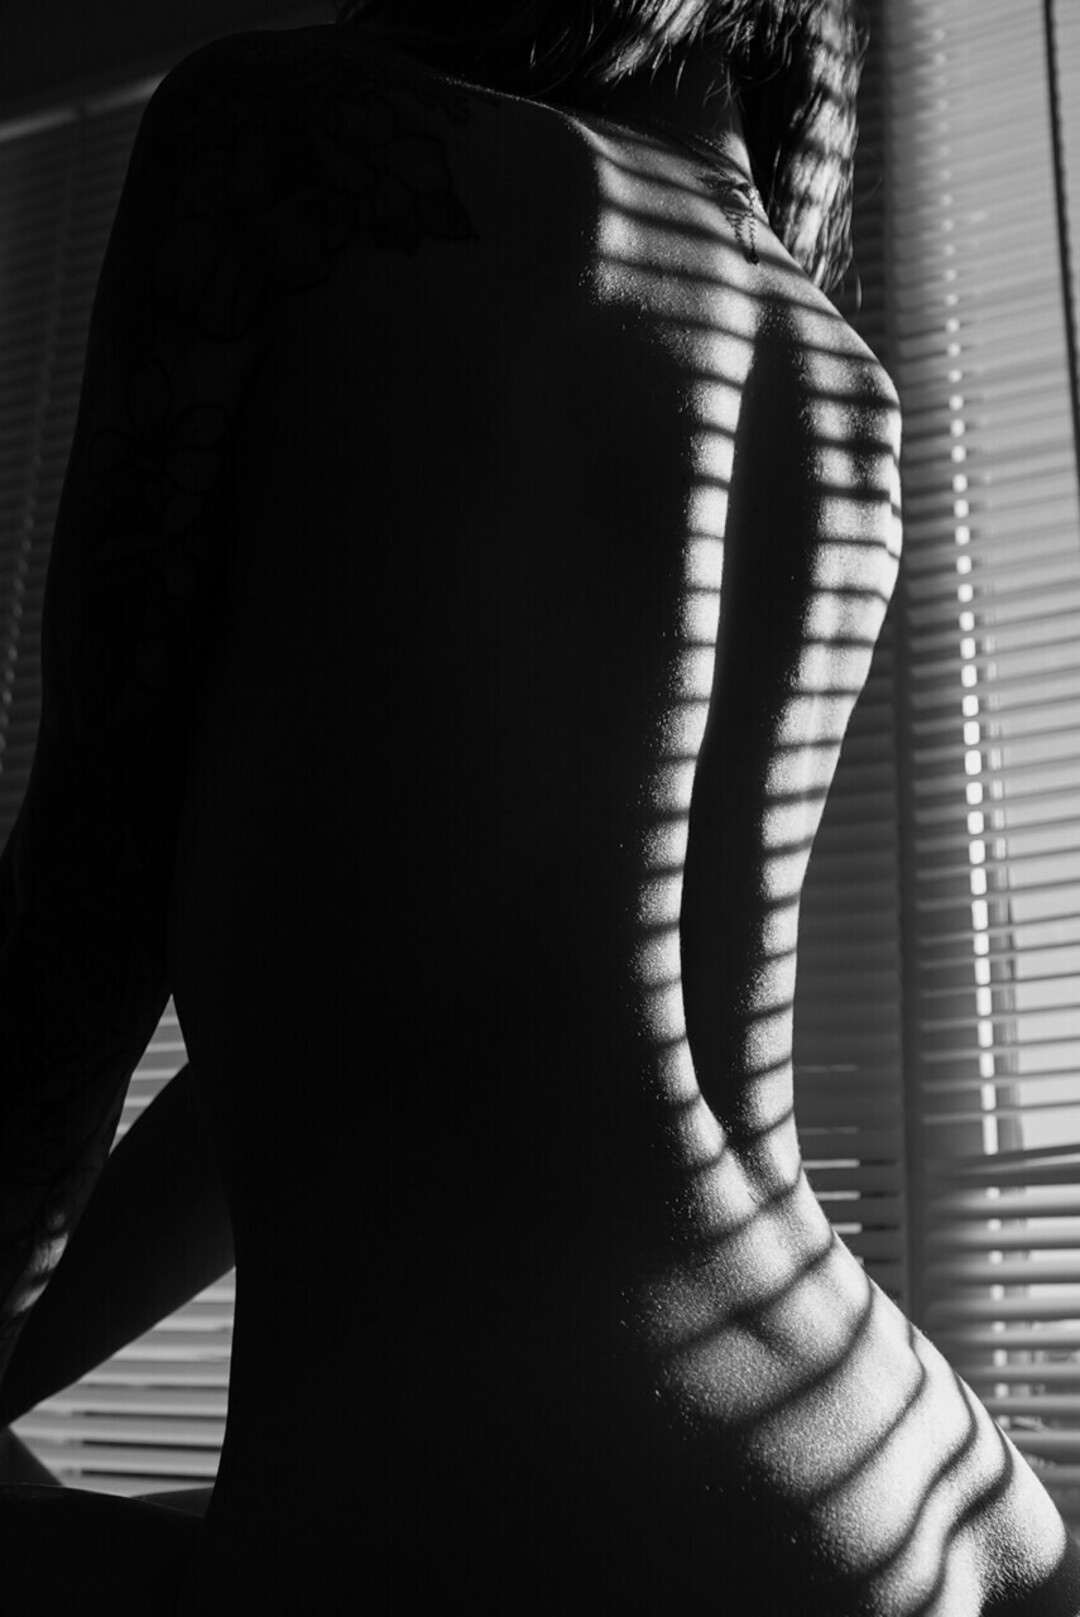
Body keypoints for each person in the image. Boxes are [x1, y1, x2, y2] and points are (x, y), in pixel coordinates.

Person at [1, 2, 1078, 1610]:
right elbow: (328, 1068)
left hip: (556, 1483)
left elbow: (84, 917)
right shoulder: (843, 380)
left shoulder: (310, 148)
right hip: (922, 1476)